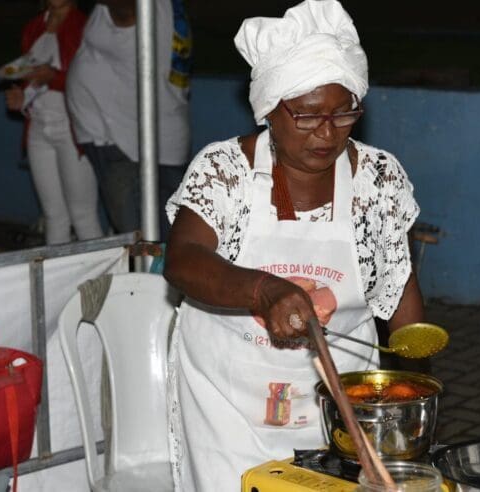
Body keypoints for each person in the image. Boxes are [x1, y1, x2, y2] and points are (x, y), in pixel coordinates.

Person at [162, 1, 425, 489]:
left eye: (343, 113)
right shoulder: (225, 172)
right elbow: (182, 259)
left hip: (337, 413)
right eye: (306, 116)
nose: (327, 133)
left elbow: (403, 304)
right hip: (227, 411)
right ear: (269, 110)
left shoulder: (378, 180)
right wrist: (264, 291)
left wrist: (410, 404)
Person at [65, 0, 191, 240]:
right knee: (163, 245)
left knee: (142, 247)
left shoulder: (136, 10)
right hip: (156, 137)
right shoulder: (166, 7)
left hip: (127, 143)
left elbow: (124, 10)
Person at [4, 0, 103, 245]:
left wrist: (55, 78)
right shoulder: (34, 27)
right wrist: (21, 97)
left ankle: (106, 282)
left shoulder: (86, 25)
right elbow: (31, 79)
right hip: (38, 128)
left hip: (73, 130)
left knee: (83, 217)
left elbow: (93, 81)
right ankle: (57, 283)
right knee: (53, 216)